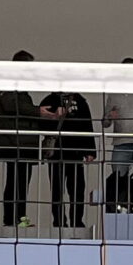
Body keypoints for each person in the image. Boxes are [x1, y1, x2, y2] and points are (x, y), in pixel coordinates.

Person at [0, 54, 46, 230]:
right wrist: (39, 112)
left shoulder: (22, 89)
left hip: (24, 144)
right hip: (12, 143)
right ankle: (11, 219)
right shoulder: (7, 83)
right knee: (14, 182)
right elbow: (12, 107)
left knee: (22, 182)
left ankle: (20, 218)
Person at [41, 85, 96, 230]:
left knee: (77, 190)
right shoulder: (49, 100)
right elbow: (41, 125)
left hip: (75, 153)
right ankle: (58, 221)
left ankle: (77, 221)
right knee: (57, 190)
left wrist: (90, 150)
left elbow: (87, 125)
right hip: (56, 153)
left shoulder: (80, 101)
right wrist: (54, 116)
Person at [102, 61, 133, 211]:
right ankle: (119, 210)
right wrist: (110, 116)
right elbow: (105, 122)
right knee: (118, 179)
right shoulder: (114, 94)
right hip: (121, 143)